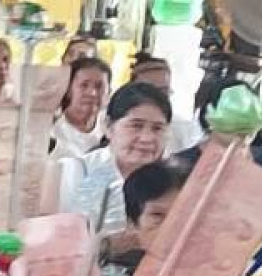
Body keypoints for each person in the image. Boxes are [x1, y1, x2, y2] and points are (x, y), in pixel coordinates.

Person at [54, 82, 175, 243]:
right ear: (108, 127)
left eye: (157, 129)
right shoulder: (74, 171)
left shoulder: (174, 182)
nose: (147, 138)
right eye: (136, 126)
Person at [130, 53, 203, 152]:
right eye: (149, 91)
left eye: (163, 91)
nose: (157, 97)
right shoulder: (120, 124)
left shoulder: (183, 128)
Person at [48, 56, 111, 163]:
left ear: (109, 92)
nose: (92, 93)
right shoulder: (51, 131)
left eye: (99, 86)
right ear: (68, 90)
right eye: (84, 85)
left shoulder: (114, 129)